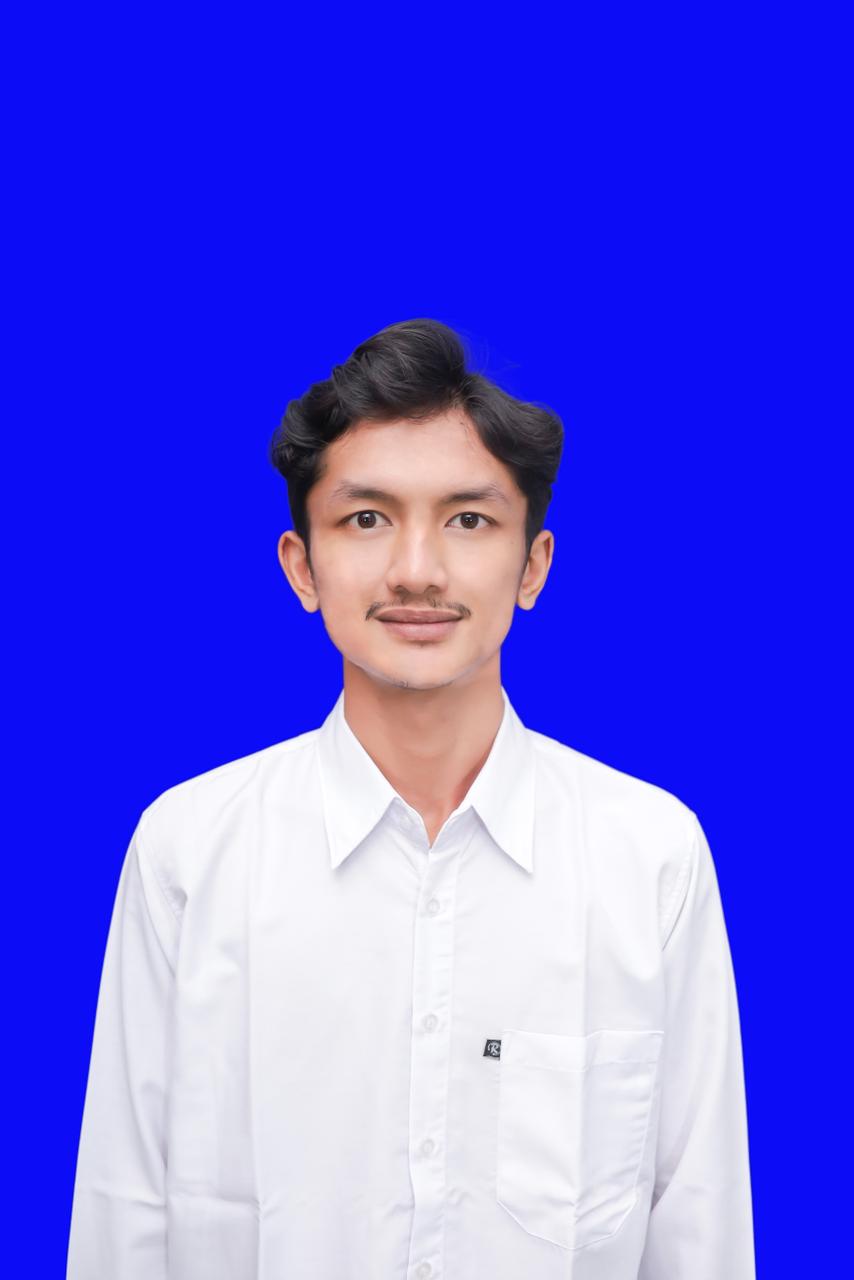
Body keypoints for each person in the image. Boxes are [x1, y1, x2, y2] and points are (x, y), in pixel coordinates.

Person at [66, 318, 755, 1279]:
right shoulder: (191, 851)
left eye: (468, 520)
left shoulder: (648, 858)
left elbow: (699, 1224)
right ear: (302, 566)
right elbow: (123, 1210)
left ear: (534, 565)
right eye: (367, 519)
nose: (417, 570)